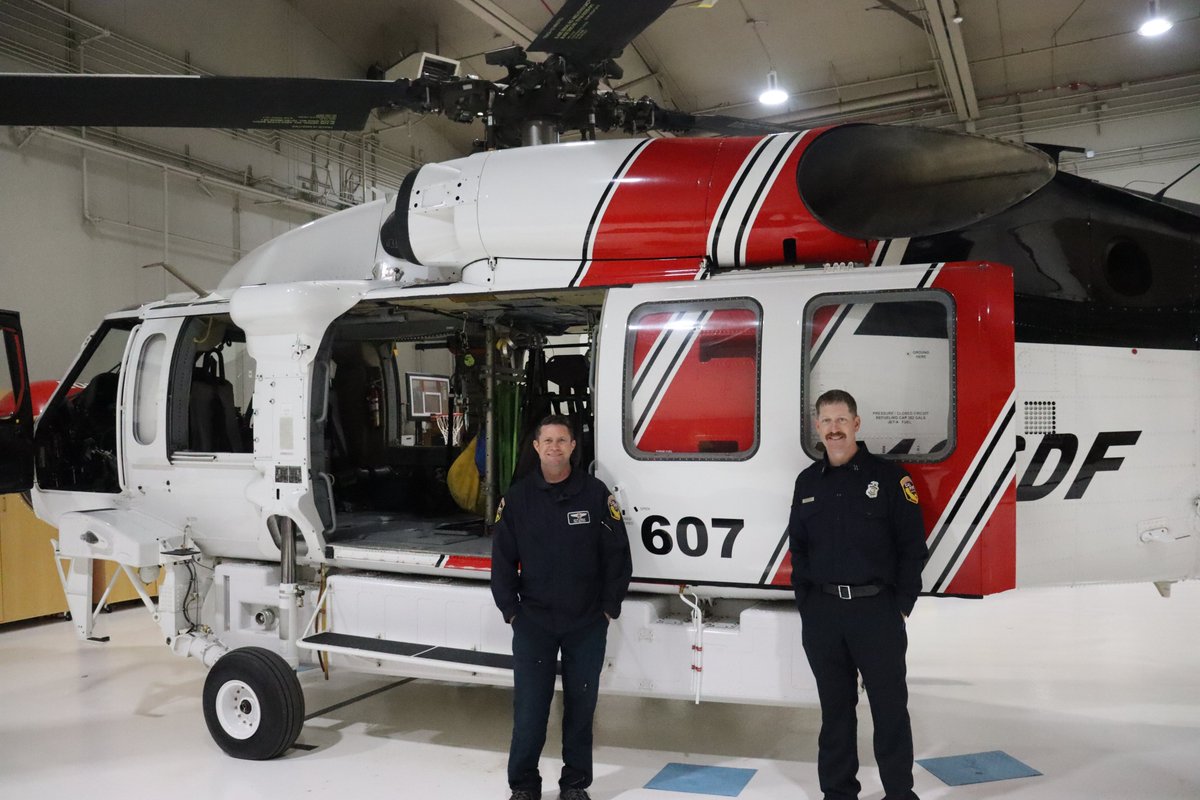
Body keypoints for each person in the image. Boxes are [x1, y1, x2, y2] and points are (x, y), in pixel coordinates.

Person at [788, 389, 929, 800]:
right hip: (824, 615)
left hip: (876, 613)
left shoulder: (889, 479)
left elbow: (912, 547)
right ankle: (838, 792)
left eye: (841, 420)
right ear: (817, 427)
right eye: (826, 421)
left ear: (856, 424)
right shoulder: (807, 482)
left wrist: (900, 607)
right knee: (835, 712)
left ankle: (899, 793)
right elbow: (799, 548)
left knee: (889, 710)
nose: (834, 429)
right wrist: (807, 604)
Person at [491, 414, 633, 800]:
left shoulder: (594, 494)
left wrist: (608, 608)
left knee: (581, 709)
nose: (555, 447)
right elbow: (502, 560)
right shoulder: (518, 498)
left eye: (562, 440)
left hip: (586, 623)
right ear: (537, 447)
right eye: (548, 441)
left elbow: (618, 555)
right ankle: (524, 786)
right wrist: (511, 610)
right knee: (530, 712)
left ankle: (574, 784)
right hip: (534, 623)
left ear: (572, 446)